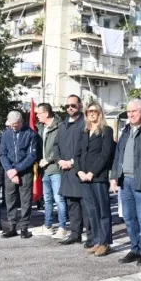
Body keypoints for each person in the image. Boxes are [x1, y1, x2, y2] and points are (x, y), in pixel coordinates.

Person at [112, 99, 141, 265]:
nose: (131, 115)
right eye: (129, 112)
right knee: (129, 217)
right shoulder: (126, 130)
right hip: (125, 180)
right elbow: (118, 155)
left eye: (134, 111)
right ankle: (135, 249)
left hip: (140, 180)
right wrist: (114, 177)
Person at [75, 102, 115, 256]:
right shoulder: (84, 131)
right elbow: (78, 154)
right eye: (88, 112)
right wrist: (79, 172)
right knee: (91, 211)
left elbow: (105, 155)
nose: (91, 114)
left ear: (100, 113)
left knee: (103, 210)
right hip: (83, 177)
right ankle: (97, 240)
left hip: (97, 177)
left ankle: (105, 242)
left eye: (94, 111)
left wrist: (92, 172)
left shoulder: (106, 131)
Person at [0, 111, 39, 239]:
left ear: (22, 121)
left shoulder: (31, 134)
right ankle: (12, 227)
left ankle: (24, 228)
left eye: (16, 125)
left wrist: (17, 169)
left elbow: (32, 155)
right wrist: (10, 170)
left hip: (25, 171)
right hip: (9, 171)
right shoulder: (5, 134)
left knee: (25, 200)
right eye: (11, 125)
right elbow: (3, 154)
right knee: (10, 199)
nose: (14, 127)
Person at [55, 95, 87, 245]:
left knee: (85, 205)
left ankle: (92, 236)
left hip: (79, 170)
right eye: (67, 106)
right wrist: (59, 160)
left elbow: (85, 147)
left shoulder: (85, 123)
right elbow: (56, 146)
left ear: (80, 106)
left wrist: (72, 162)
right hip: (65, 171)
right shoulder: (63, 125)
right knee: (72, 205)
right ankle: (75, 234)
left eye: (73, 105)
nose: (70, 108)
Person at [33, 103, 66, 238]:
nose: (36, 116)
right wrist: (41, 159)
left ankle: (63, 227)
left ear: (46, 113)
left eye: (39, 113)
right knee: (47, 200)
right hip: (44, 169)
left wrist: (50, 159)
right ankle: (47, 225)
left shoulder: (60, 126)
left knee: (59, 199)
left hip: (55, 168)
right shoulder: (41, 127)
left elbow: (60, 147)